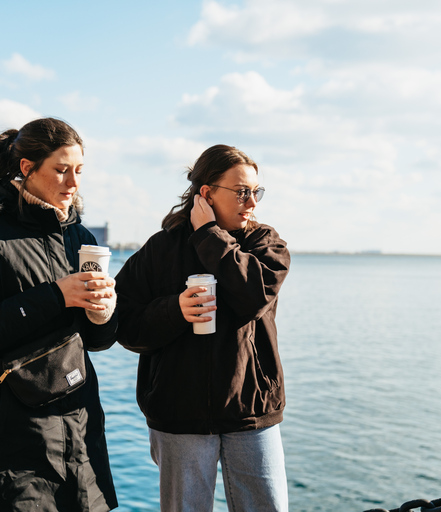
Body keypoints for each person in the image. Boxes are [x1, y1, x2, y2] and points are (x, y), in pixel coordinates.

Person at [0, 117, 118, 512]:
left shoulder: (81, 238)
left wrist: (105, 314)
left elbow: (96, 342)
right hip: (8, 443)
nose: (73, 182)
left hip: (79, 433)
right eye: (61, 170)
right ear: (27, 168)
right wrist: (57, 296)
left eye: (78, 171)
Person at [115, 144, 291, 511]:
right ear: (207, 193)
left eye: (256, 191)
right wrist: (175, 310)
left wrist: (209, 233)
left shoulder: (266, 244)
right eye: (242, 191)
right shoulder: (161, 249)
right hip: (179, 412)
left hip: (251, 410)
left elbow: (252, 297)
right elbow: (124, 323)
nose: (252, 201)